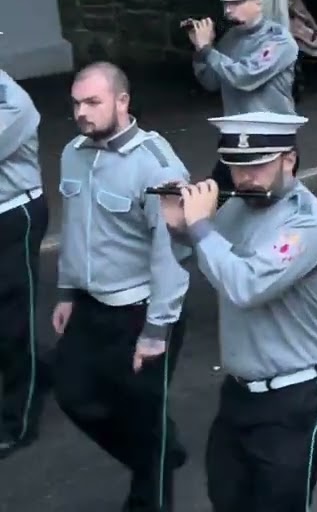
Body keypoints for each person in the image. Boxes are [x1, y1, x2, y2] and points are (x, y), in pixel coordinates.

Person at [159, 111, 317, 511]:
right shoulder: (237, 210)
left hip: (295, 397)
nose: (244, 178)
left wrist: (202, 227)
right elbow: (211, 261)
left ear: (288, 159)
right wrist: (182, 227)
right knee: (227, 498)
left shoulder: (306, 224)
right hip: (239, 393)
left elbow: (245, 285)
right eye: (236, 167)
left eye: (257, 165)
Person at [52, 62, 190, 511]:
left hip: (140, 310)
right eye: (76, 103)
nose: (82, 113)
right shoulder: (74, 152)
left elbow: (171, 254)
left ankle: (151, 485)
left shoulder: (157, 165)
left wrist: (156, 331)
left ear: (123, 101)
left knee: (144, 418)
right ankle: (157, 457)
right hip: (91, 306)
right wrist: (67, 292)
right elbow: (76, 230)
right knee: (73, 395)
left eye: (93, 102)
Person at [191, 0, 300, 192]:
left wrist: (208, 50)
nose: (228, 10)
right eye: (226, 4)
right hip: (235, 139)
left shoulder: (278, 40)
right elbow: (211, 82)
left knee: (265, 211)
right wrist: (200, 52)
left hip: (272, 142)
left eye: (237, 2)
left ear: (258, 3)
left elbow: (244, 77)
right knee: (219, 207)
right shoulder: (230, 39)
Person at [0, 66, 50, 460]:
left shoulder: (12, 102)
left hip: (14, 216)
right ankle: (42, 374)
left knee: (15, 322)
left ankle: (18, 421)